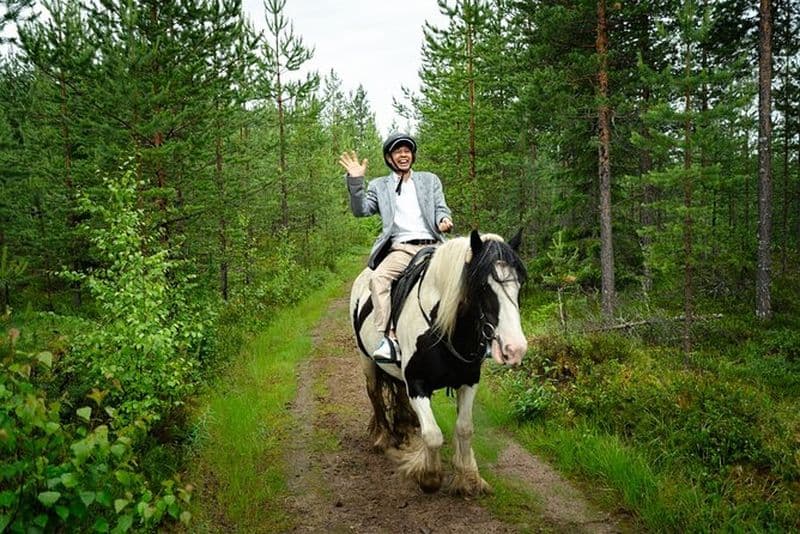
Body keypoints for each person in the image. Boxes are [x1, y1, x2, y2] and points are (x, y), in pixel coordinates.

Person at [340, 132, 453, 362]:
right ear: (389, 157)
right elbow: (361, 210)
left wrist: (443, 220)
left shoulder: (430, 180)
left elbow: (441, 207)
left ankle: (481, 337)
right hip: (401, 249)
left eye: (407, 151)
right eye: (398, 151)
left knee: (472, 272)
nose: (404, 155)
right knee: (379, 278)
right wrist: (355, 182)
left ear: (412, 155)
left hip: (434, 246)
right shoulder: (379, 186)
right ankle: (388, 339)